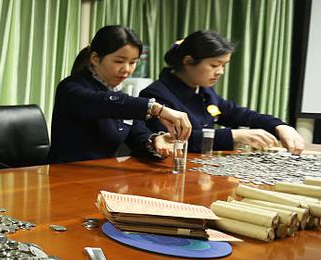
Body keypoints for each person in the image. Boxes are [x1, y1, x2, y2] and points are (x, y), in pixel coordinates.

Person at [140, 30, 305, 153]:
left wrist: (280, 126)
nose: (220, 72)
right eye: (214, 65)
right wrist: (234, 136)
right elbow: (172, 140)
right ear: (188, 61)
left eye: (223, 65)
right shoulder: (156, 95)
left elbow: (239, 114)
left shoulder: (205, 91)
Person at [49, 25, 191, 164]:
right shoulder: (71, 88)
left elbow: (137, 134)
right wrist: (157, 109)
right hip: (65, 176)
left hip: (101, 176)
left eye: (133, 62)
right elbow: (104, 103)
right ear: (95, 58)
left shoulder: (117, 93)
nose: (127, 69)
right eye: (119, 61)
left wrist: (155, 141)